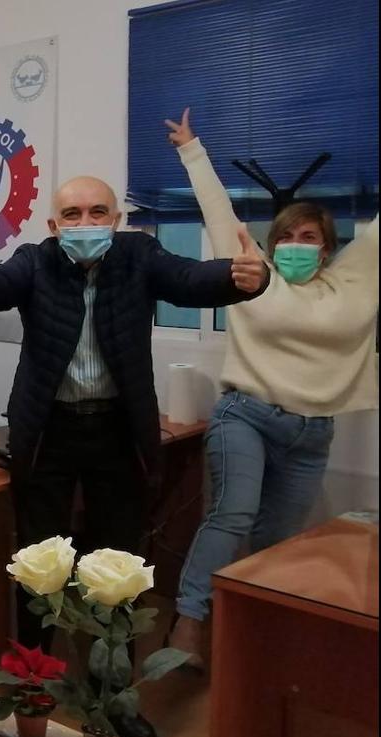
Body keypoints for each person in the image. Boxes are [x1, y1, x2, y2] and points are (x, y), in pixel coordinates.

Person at [0, 177, 269, 737]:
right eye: (72, 213)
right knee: (37, 568)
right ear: (52, 225)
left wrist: (241, 279)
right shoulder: (35, 262)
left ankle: (112, 697)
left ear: (117, 220)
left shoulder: (138, 255)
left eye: (98, 212)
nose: (86, 223)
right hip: (48, 433)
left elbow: (191, 279)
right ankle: (32, 692)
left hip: (118, 432)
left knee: (115, 573)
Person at [162, 108, 379, 667]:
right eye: (286, 236)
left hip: (313, 434)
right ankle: (188, 626)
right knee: (232, 513)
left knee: (279, 539)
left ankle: (254, 638)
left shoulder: (354, 281)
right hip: (246, 415)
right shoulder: (253, 273)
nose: (296, 244)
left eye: (309, 237)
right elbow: (217, 213)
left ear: (328, 249)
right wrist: (192, 150)